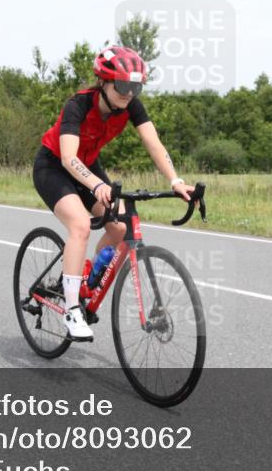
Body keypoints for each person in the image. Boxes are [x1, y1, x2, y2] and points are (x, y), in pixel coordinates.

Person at [33, 45, 195, 340]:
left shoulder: (131, 105)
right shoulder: (78, 105)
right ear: (104, 83)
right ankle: (72, 310)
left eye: (136, 86)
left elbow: (153, 143)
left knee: (120, 227)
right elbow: (69, 158)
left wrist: (176, 181)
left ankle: (87, 277)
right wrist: (96, 185)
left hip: (89, 168)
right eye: (122, 85)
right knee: (80, 225)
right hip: (54, 167)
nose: (129, 92)